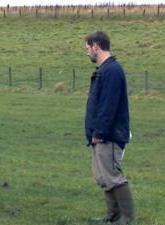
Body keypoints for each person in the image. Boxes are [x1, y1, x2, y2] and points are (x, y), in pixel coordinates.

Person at [84, 31, 135, 225]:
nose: (87, 52)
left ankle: (127, 218)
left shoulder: (112, 70)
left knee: (112, 175)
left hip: (109, 135)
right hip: (99, 135)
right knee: (102, 176)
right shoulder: (103, 70)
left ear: (96, 46)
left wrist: (100, 132)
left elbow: (108, 105)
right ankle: (112, 215)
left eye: (87, 48)